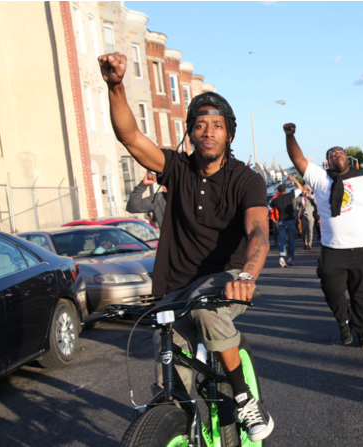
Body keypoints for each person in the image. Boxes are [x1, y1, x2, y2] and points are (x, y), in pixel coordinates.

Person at [98, 52, 273, 441]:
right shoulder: (176, 168)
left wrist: (247, 276)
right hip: (174, 286)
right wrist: (116, 86)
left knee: (207, 314)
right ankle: (178, 425)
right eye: (200, 125)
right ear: (190, 133)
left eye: (217, 126)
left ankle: (244, 397)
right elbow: (130, 136)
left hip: (225, 279)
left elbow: (258, 232)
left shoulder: (246, 180)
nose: (208, 132)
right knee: (171, 376)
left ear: (229, 134)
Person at [284, 123, 363, 348]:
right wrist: (290, 136)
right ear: (328, 162)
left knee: (362, 294)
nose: (338, 154)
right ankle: (344, 322)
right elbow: (298, 159)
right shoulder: (321, 179)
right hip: (333, 250)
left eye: (341, 151)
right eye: (332, 154)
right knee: (332, 290)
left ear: (348, 158)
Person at [269, 183, 299, 267]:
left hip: (281, 221)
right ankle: (291, 258)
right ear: (285, 190)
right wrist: (294, 180)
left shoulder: (275, 200)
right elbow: (300, 189)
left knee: (281, 240)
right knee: (291, 240)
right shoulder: (289, 196)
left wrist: (272, 216)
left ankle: (282, 257)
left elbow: (269, 207)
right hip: (290, 220)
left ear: (278, 191)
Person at [288, 176, 317, 250]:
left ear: (307, 190)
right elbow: (297, 208)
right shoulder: (299, 198)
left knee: (310, 230)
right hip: (303, 215)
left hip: (310, 215)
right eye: (302, 190)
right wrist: (296, 216)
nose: (303, 191)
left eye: (304, 190)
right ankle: (305, 242)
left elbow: (316, 204)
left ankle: (310, 244)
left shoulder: (311, 197)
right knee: (304, 230)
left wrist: (311, 196)